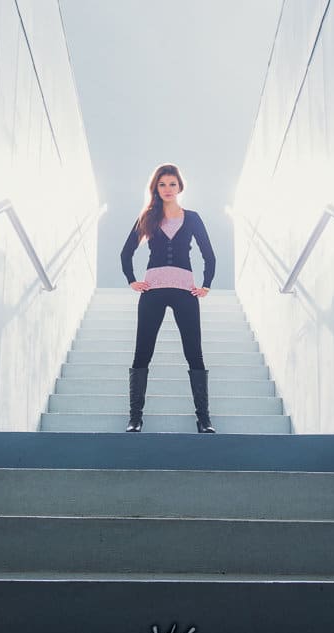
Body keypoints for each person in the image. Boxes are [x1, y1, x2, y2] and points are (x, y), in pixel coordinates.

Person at [120, 163, 216, 433]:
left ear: (180, 186)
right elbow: (125, 252)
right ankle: (135, 417)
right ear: (156, 188)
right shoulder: (147, 218)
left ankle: (204, 419)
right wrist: (132, 279)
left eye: (172, 184)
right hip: (153, 291)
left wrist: (206, 284)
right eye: (162, 184)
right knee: (143, 351)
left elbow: (209, 254)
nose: (167, 189)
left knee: (194, 352)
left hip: (185, 291)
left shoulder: (193, 217)